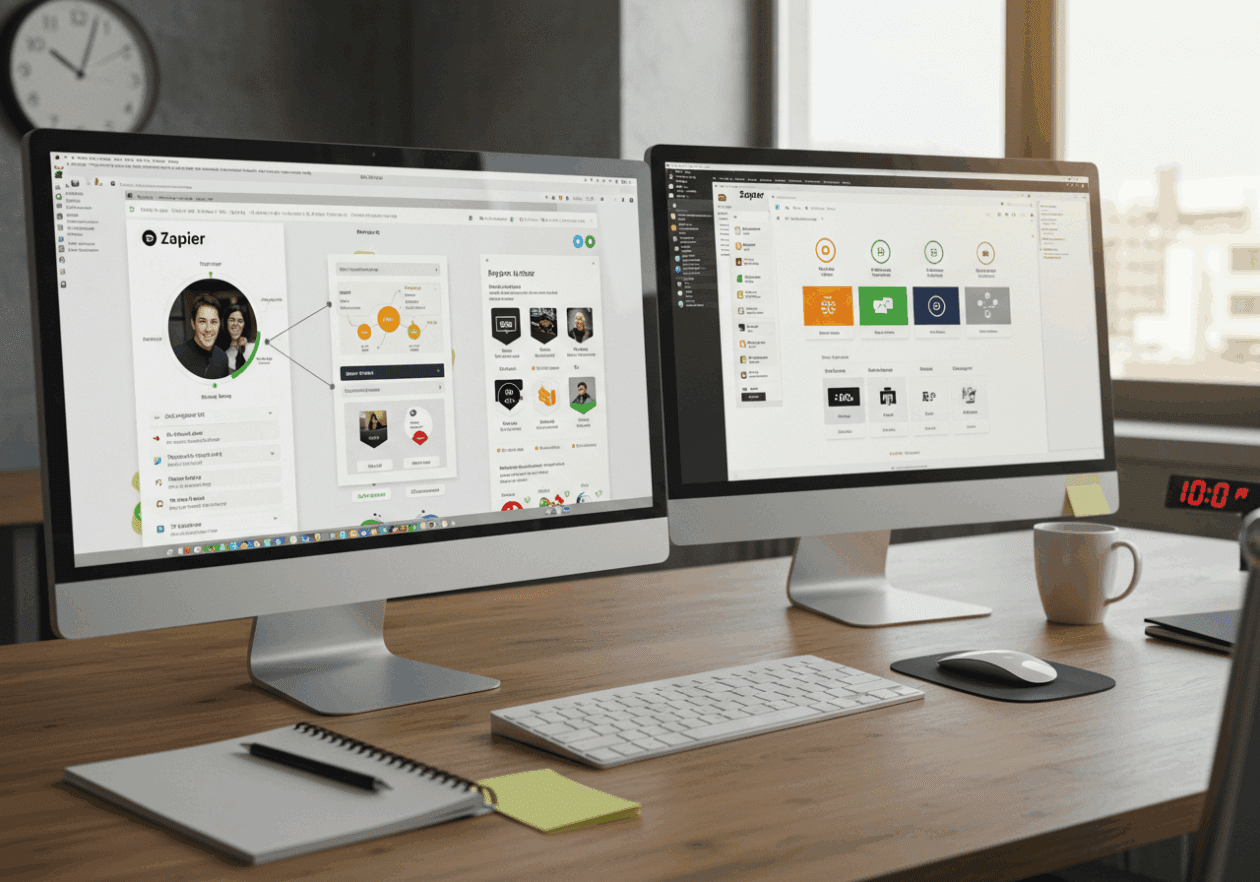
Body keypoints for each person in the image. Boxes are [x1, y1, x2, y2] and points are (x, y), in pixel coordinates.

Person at [172, 294, 229, 379]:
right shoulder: (176, 356)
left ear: (219, 325)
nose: (208, 329)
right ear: (193, 324)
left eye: (214, 322)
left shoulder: (222, 357)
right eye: (202, 322)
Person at [223, 304, 254, 372]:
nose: (235, 324)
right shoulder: (224, 356)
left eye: (240, 321)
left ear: (245, 325)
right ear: (226, 323)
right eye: (231, 320)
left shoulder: (253, 348)